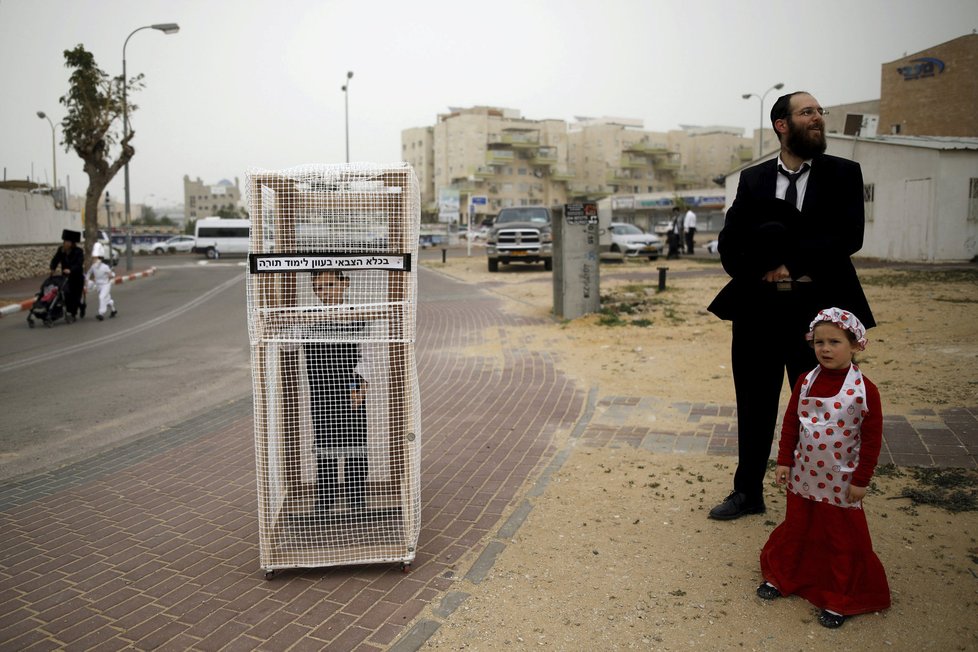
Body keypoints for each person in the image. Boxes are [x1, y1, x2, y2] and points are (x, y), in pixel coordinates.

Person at [707, 91, 875, 520]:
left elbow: (847, 236)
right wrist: (757, 269)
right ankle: (747, 493)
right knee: (754, 402)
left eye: (820, 112)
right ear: (782, 124)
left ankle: (816, 498)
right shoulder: (754, 179)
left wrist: (788, 265)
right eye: (807, 112)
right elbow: (731, 240)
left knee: (821, 406)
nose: (817, 118)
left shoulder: (843, 173)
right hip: (758, 310)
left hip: (817, 314)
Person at [756, 307, 890, 628]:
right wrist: (785, 459)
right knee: (798, 527)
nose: (825, 349)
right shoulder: (804, 380)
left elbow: (871, 441)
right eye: (819, 342)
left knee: (840, 539)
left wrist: (862, 479)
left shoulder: (864, 390)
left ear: (855, 345)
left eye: (834, 342)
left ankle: (839, 596)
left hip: (841, 481)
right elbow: (791, 423)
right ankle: (784, 576)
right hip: (804, 474)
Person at [304, 270, 368, 516]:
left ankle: (356, 498)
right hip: (321, 392)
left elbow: (368, 357)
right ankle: (325, 499)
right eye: (318, 288)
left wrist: (360, 388)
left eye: (330, 284)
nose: (324, 292)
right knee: (325, 443)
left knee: (355, 442)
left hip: (351, 391)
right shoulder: (308, 319)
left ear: (345, 283)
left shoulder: (359, 317)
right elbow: (287, 344)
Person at [50, 229, 85, 323]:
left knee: (76, 297)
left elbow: (79, 264)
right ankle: (70, 312)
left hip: (77, 278)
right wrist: (52, 268)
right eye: (65, 241)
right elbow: (55, 260)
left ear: (72, 243)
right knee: (67, 296)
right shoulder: (61, 250)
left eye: (68, 242)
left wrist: (71, 270)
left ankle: (76, 311)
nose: (66, 244)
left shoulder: (79, 251)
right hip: (65, 278)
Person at [85, 245, 117, 321]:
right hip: (98, 285)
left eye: (95, 258)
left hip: (106, 285)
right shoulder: (93, 266)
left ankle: (101, 314)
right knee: (106, 299)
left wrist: (111, 274)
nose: (94, 259)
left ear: (99, 258)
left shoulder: (105, 267)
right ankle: (113, 310)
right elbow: (89, 273)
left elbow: (112, 274)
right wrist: (87, 281)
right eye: (93, 258)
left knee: (102, 297)